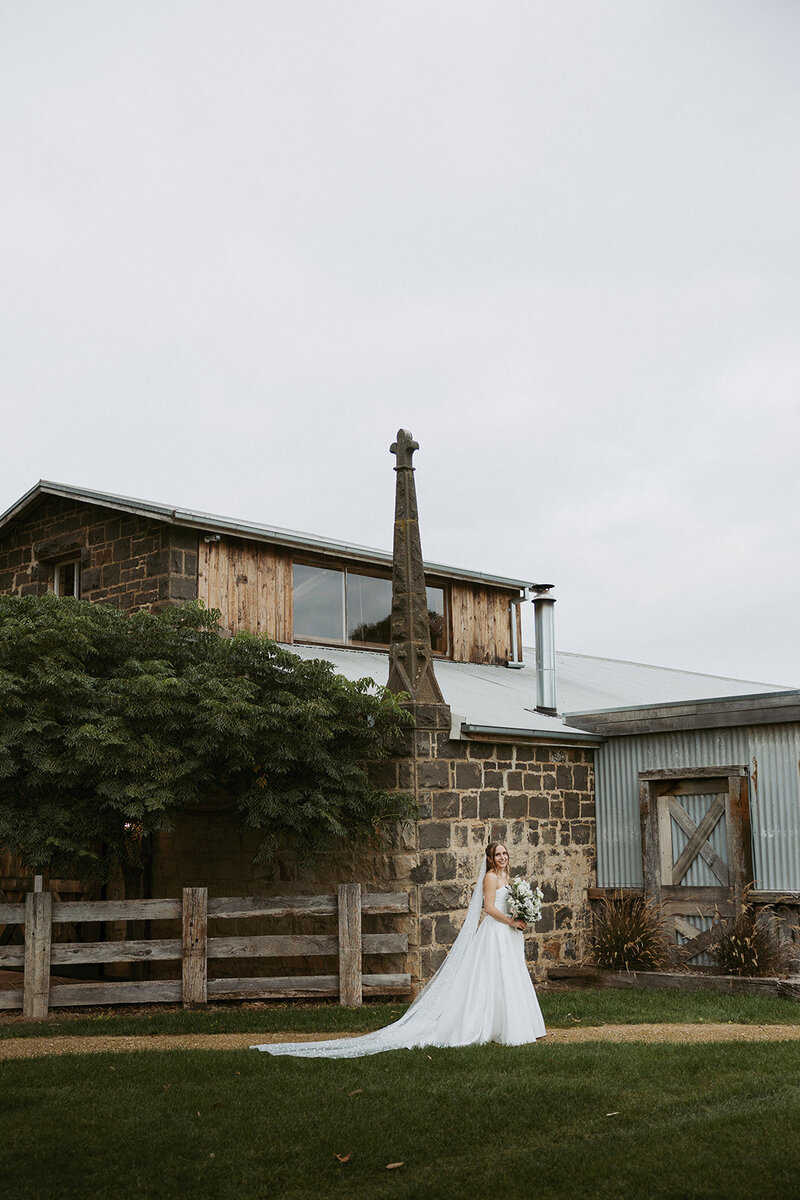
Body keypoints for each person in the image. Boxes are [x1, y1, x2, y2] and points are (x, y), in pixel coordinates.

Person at [251, 840, 546, 1058]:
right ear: (490, 858)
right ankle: (491, 1026)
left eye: (505, 853)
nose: (503, 857)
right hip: (496, 932)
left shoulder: (510, 878)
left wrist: (522, 916)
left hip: (510, 934)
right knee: (493, 978)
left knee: (511, 975)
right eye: (498, 854)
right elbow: (489, 908)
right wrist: (510, 920)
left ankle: (514, 1024)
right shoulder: (491, 878)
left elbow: (511, 902)